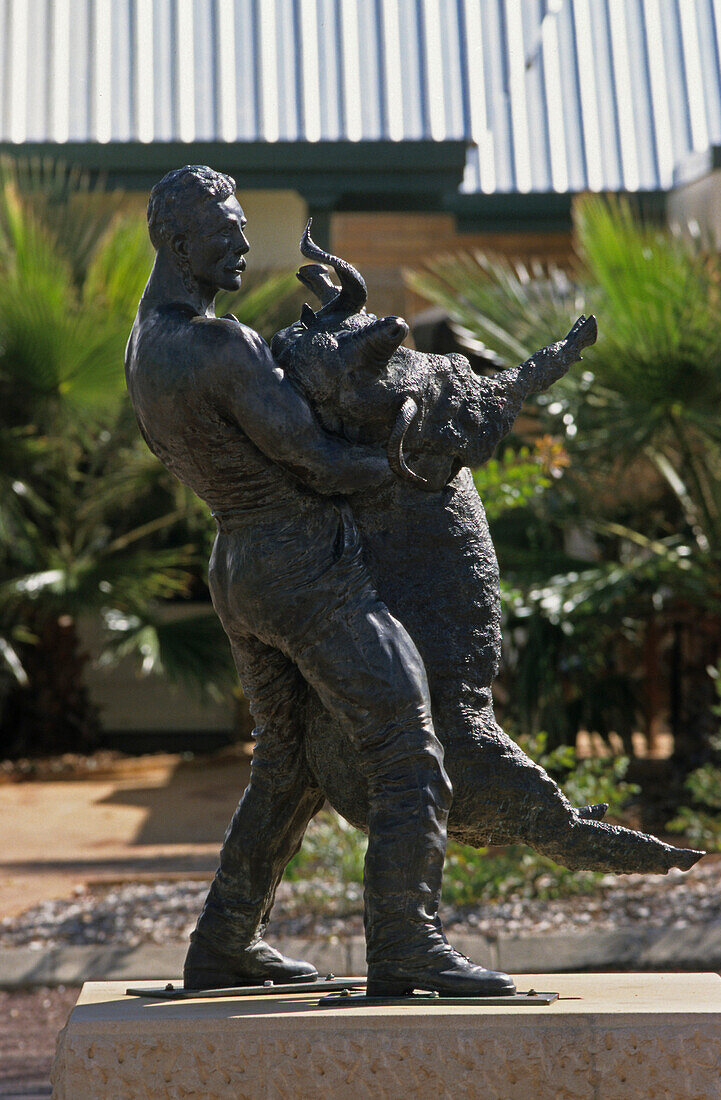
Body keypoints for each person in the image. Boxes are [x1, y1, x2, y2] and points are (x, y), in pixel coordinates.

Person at [125, 165, 515, 997]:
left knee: (287, 767)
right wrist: (411, 460)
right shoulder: (221, 345)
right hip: (305, 572)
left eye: (243, 231)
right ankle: (406, 944)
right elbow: (315, 460)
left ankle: (224, 941)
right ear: (175, 240)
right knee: (410, 749)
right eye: (224, 234)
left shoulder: (145, 343)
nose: (241, 247)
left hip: (237, 568)